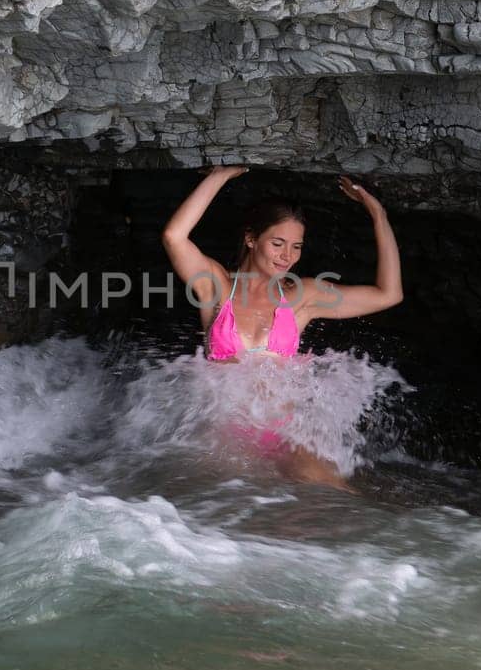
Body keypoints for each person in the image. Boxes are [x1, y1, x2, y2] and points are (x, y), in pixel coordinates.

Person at [160, 166, 403, 489]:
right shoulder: (216, 287)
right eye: (278, 243)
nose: (287, 256)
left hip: (283, 434)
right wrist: (218, 177)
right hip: (222, 438)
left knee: (332, 496)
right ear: (251, 238)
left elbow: (389, 294)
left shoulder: (301, 298)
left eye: (296, 247)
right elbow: (174, 237)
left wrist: (379, 216)